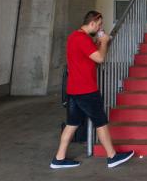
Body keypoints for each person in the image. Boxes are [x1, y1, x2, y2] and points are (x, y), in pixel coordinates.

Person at [50, 11, 134, 169]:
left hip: (74, 89)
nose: (100, 27)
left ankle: (58, 159)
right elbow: (100, 59)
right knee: (101, 122)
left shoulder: (75, 37)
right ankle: (112, 156)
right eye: (100, 24)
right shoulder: (81, 39)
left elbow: (91, 58)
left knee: (72, 124)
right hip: (86, 90)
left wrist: (100, 43)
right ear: (92, 23)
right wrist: (103, 41)